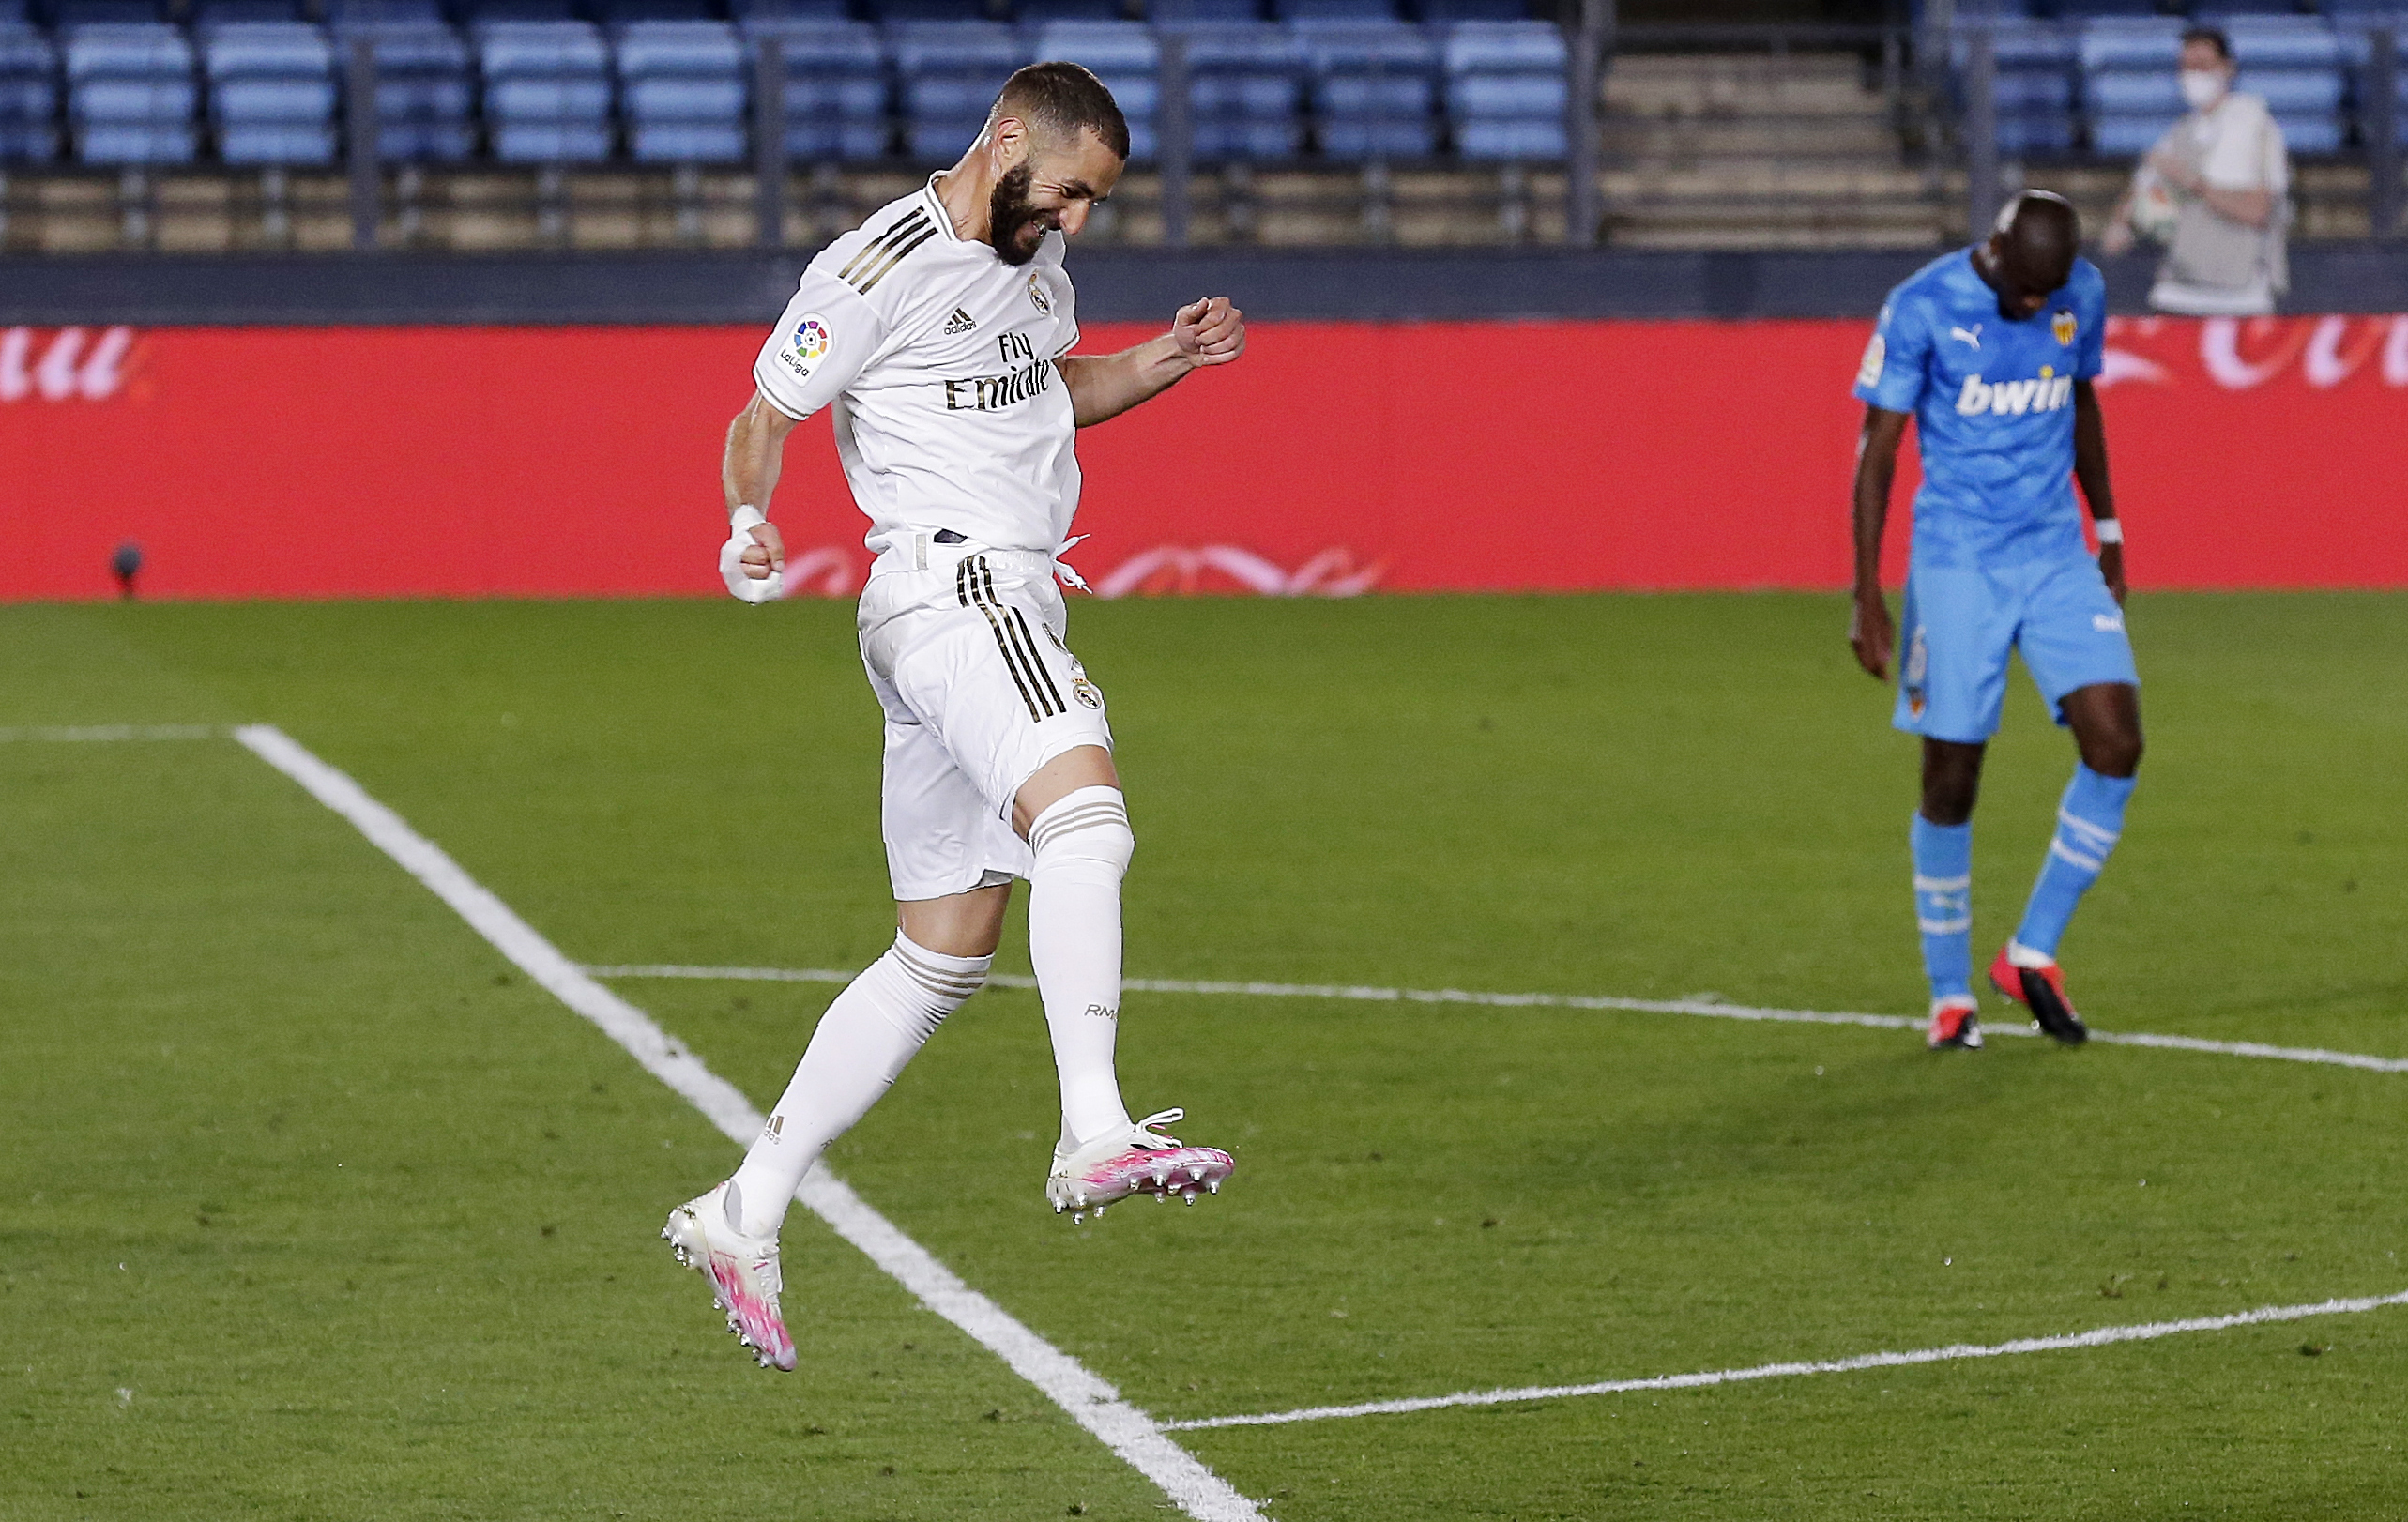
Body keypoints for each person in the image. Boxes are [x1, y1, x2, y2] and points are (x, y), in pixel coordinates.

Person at [663, 62, 1248, 1372]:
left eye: (1094, 202)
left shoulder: (1032, 263)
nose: (1077, 220)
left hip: (964, 613)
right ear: (1003, 143)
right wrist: (749, 520)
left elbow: (1048, 395)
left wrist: (1168, 355)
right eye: (1070, 193)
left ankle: (743, 1206)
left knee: (940, 957)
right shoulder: (876, 266)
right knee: (1086, 825)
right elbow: (765, 416)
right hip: (960, 589)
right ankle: (1094, 1128)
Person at [1847, 191, 2141, 1053]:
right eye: (2022, 292)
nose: (2033, 308)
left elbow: (2081, 401)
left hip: (2053, 552)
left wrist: (2110, 528)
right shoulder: (1923, 305)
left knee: (2116, 743)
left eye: (2045, 296)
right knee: (1952, 778)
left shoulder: (2075, 292)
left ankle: (2031, 951)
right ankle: (1948, 995)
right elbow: (1877, 452)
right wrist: (1867, 594)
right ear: (1996, 249)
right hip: (1958, 564)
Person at [2099, 25, 2290, 317]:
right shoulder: (2177, 136)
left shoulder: (2257, 129)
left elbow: (2258, 211)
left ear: (2227, 68)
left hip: (2240, 296)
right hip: (2179, 293)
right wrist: (2126, 222)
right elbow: (2142, 209)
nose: (2192, 75)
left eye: (2202, 66)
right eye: (2185, 67)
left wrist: (2194, 184)